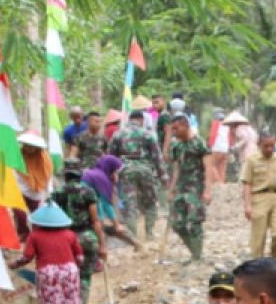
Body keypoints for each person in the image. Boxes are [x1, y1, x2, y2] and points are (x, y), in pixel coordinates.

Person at [9, 203, 83, 304]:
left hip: (48, 277)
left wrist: (14, 265)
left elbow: (27, 257)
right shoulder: (70, 235)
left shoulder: (35, 236)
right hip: (69, 275)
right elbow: (80, 258)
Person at [52, 158, 107, 304]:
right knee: (84, 277)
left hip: (64, 238)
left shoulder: (57, 193)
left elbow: (51, 218)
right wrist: (102, 245)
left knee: (65, 276)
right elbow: (95, 220)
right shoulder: (88, 192)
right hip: (86, 238)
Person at [109, 108, 166, 244]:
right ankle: (150, 232)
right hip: (145, 170)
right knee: (150, 202)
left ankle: (132, 235)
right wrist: (163, 175)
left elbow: (111, 156)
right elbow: (157, 157)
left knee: (130, 203)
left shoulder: (118, 134)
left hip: (126, 171)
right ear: (141, 120)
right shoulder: (148, 134)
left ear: (129, 120)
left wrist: (111, 174)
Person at [167, 112, 212, 262]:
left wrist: (207, 190)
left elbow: (208, 167)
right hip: (181, 188)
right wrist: (172, 189)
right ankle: (194, 252)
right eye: (172, 129)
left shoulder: (199, 143)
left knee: (194, 222)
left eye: (176, 128)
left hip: (195, 188)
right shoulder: (177, 145)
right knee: (177, 224)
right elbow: (176, 168)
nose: (174, 132)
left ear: (186, 126)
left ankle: (197, 257)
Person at [240, 129, 276, 259]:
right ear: (259, 145)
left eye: (272, 145)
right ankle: (257, 266)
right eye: (265, 146)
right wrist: (247, 205)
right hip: (259, 198)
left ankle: (275, 260)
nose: (269, 149)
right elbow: (247, 183)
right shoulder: (251, 160)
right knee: (258, 238)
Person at [82, 155, 133, 247]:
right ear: (111, 168)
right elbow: (106, 204)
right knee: (100, 224)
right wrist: (117, 225)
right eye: (116, 172)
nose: (117, 175)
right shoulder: (102, 179)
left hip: (82, 205)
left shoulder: (93, 173)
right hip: (89, 203)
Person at [15, 131, 54, 243]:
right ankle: (24, 234)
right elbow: (14, 171)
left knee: (37, 216)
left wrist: (48, 193)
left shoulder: (44, 158)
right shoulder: (19, 155)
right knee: (20, 214)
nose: (29, 148)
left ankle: (37, 238)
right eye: (27, 145)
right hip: (20, 189)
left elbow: (48, 175)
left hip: (37, 191)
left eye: (31, 146)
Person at [208, 107, 231, 184]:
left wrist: (210, 146)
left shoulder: (215, 123)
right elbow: (229, 137)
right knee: (222, 169)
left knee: (211, 165)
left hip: (217, 148)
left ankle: (218, 183)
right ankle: (222, 185)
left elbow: (213, 135)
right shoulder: (228, 125)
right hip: (225, 149)